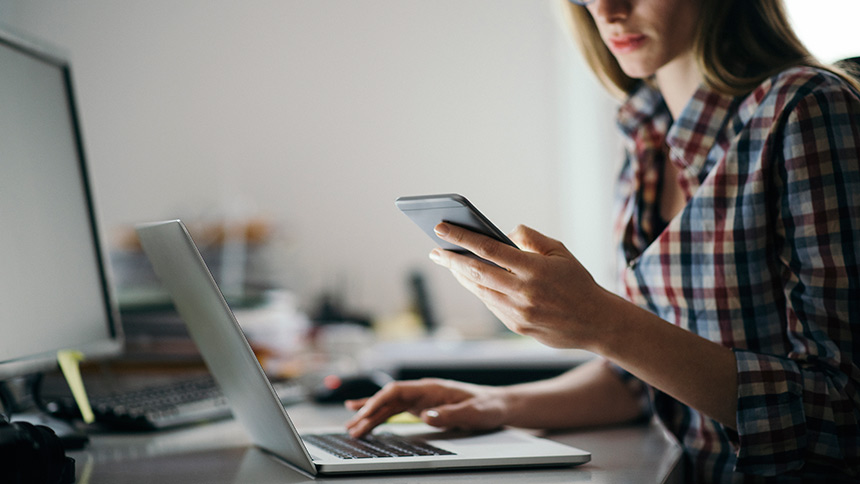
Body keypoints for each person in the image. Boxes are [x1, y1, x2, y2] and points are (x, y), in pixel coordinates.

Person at [345, 0, 860, 482]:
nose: (607, 11)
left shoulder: (807, 109)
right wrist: (494, 403)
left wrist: (601, 321)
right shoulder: (646, 135)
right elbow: (642, 381)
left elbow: (842, 417)